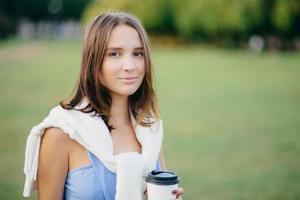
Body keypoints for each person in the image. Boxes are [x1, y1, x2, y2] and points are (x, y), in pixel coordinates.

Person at [23, 11, 184, 199]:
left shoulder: (149, 128)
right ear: (93, 61)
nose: (130, 65)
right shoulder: (61, 134)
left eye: (138, 53)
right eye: (115, 54)